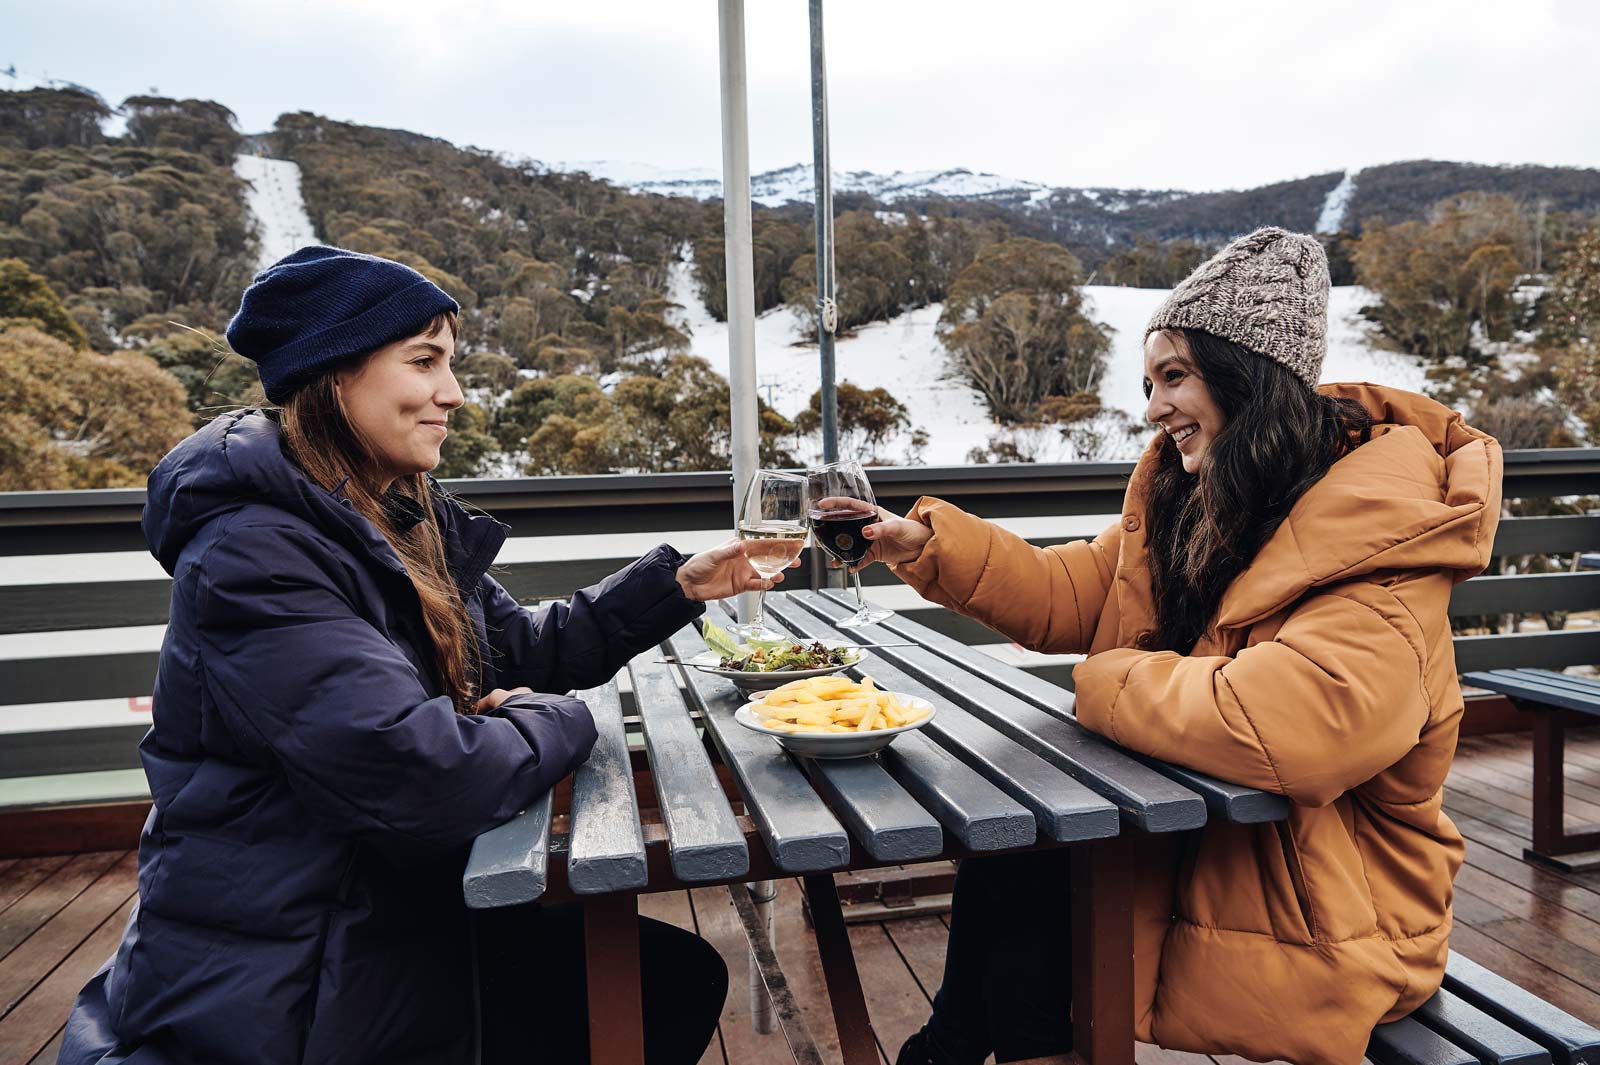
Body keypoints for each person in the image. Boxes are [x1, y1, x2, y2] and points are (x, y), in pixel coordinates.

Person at [59, 246, 773, 1065]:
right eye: (424, 361)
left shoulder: (390, 513)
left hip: (391, 900)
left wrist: (677, 585)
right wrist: (558, 719)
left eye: (451, 364)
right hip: (298, 961)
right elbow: (421, 773)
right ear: (335, 376)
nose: (453, 392)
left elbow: (519, 647)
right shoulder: (254, 552)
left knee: (670, 977)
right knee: (656, 985)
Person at [848, 228, 1503, 1065]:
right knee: (1018, 842)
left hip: (1335, 915)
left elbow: (1289, 727)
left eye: (1174, 377)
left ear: (1247, 377)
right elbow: (1080, 589)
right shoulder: (1206, 499)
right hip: (1223, 855)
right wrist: (926, 545)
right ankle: (957, 1042)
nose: (1152, 408)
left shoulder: (1385, 537)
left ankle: (962, 1045)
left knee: (1035, 868)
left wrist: (1105, 678)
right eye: (1150, 381)